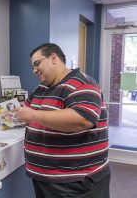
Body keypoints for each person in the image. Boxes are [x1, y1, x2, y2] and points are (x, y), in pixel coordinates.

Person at [15, 43, 110, 198]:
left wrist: (34, 115)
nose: (34, 70)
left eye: (37, 64)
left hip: (76, 183)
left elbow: (82, 119)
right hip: (44, 178)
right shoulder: (40, 89)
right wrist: (16, 114)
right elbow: (25, 112)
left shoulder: (83, 83)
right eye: (32, 67)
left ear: (53, 58)